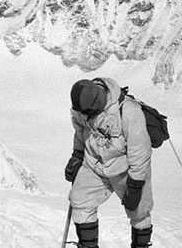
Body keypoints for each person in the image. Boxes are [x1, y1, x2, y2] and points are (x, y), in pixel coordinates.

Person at [65, 78, 153, 248]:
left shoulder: (128, 111)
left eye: (86, 112)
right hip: (95, 164)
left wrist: (135, 185)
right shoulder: (80, 109)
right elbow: (80, 132)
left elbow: (140, 151)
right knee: (80, 201)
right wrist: (76, 157)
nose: (82, 115)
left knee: (139, 212)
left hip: (126, 169)